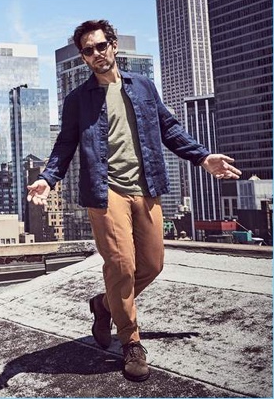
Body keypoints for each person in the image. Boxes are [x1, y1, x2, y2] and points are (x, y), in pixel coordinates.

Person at [26, 19, 241, 382]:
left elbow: (169, 129)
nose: (95, 54)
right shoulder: (78, 99)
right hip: (104, 191)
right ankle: (131, 342)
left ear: (113, 46)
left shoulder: (143, 87)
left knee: (152, 265)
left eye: (100, 46)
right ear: (83, 57)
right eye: (87, 51)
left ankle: (103, 304)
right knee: (122, 266)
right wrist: (49, 179)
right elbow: (65, 144)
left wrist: (203, 158)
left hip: (147, 186)